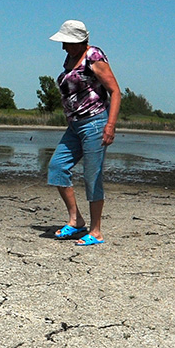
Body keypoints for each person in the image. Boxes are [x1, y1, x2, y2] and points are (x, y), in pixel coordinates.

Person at [45, 20, 121, 246]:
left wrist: (110, 125)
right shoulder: (70, 58)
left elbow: (115, 92)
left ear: (79, 41)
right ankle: (76, 220)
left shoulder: (94, 56)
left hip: (95, 123)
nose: (63, 47)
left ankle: (96, 231)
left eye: (66, 42)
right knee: (57, 166)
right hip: (75, 125)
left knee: (92, 175)